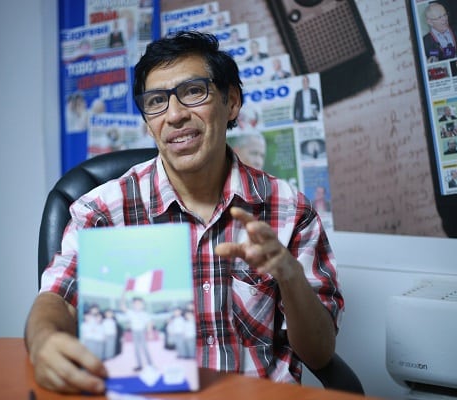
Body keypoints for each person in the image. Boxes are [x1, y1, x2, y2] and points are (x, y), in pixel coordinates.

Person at [24, 31, 342, 394]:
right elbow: (55, 300)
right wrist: (44, 340)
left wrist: (289, 275)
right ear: (148, 121)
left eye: (193, 91)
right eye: (157, 101)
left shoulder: (290, 209)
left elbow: (319, 353)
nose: (174, 115)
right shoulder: (103, 213)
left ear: (231, 102)